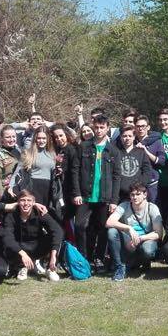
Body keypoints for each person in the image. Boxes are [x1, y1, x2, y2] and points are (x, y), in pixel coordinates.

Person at [71, 115, 121, 269]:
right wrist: (77, 193)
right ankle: (83, 257)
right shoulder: (84, 147)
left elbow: (116, 176)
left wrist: (114, 201)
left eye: (102, 127)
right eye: (96, 127)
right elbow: (75, 171)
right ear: (93, 127)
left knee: (102, 228)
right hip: (85, 196)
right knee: (79, 226)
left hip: (104, 197)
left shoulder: (113, 150)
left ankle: (99, 258)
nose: (99, 130)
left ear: (107, 128)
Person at [0, 189, 63, 282]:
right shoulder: (11, 216)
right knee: (8, 243)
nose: (26, 203)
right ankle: (22, 267)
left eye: (29, 200)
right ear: (18, 202)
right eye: (22, 200)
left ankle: (50, 268)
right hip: (20, 248)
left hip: (37, 246)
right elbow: (8, 237)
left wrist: (54, 255)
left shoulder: (40, 212)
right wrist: (23, 254)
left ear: (33, 202)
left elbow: (57, 230)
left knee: (54, 236)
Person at [105, 183, 163, 281]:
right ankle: (120, 267)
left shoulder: (152, 208)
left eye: (138, 194)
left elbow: (159, 233)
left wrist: (140, 239)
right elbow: (109, 222)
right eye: (132, 194)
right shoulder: (124, 206)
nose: (135, 197)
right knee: (112, 232)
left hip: (145, 240)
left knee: (148, 250)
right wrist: (129, 228)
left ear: (145, 195)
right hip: (129, 242)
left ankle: (144, 261)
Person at [115, 125, 153, 203]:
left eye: (130, 136)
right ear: (121, 137)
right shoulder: (116, 152)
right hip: (120, 195)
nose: (127, 138)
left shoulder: (141, 152)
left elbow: (147, 172)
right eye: (124, 136)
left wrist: (138, 187)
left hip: (137, 194)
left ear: (134, 137)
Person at [20, 127, 56, 206]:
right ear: (35, 139)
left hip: (48, 187)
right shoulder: (28, 153)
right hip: (34, 186)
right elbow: (18, 172)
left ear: (48, 139)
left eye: (44, 138)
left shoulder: (52, 154)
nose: (41, 141)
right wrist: (11, 186)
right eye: (39, 138)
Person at [133, 115, 165, 203]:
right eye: (138, 126)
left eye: (143, 126)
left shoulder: (156, 142)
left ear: (148, 127)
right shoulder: (132, 142)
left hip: (152, 183)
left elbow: (162, 161)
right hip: (136, 185)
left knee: (153, 211)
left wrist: (146, 152)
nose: (140, 129)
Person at [0, 125, 21, 200]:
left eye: (13, 136)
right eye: (8, 137)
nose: (11, 139)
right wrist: (1, 197)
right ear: (2, 139)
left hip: (20, 191)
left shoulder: (20, 151)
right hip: (6, 194)